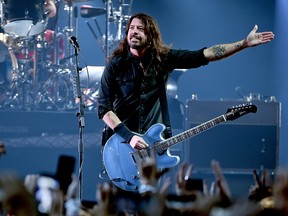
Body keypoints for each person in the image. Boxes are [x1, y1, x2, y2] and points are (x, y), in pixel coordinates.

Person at [97, 12, 274, 150]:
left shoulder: (163, 58)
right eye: (131, 28)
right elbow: (104, 109)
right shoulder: (115, 65)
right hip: (122, 144)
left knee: (153, 193)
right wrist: (130, 137)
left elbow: (205, 54)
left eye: (140, 28)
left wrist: (243, 44)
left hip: (154, 145)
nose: (134, 31)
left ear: (150, 35)